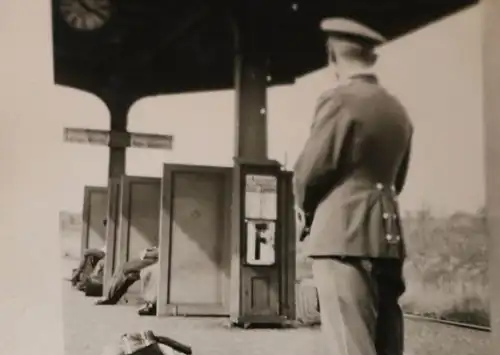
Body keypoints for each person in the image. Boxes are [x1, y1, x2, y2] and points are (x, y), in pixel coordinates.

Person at [293, 18, 413, 355]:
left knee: (349, 345)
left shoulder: (339, 100)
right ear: (372, 58)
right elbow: (397, 180)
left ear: (332, 56)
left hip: (341, 237)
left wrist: (305, 211)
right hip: (387, 240)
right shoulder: (397, 110)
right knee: (386, 342)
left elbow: (309, 172)